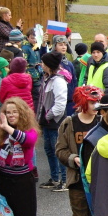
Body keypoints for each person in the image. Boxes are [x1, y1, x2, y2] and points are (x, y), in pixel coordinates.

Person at [56, 85, 103, 216]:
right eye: (92, 102)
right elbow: (60, 149)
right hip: (77, 180)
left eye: (98, 102)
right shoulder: (69, 123)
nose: (96, 106)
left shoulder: (102, 121)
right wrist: (72, 159)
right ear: (83, 102)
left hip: (98, 181)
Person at [37, 52, 68, 191]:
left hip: (55, 122)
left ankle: (65, 180)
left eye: (43, 62)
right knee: (49, 150)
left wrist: (48, 116)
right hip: (47, 122)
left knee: (58, 151)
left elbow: (60, 104)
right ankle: (55, 178)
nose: (41, 64)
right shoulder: (47, 79)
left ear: (49, 65)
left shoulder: (58, 81)